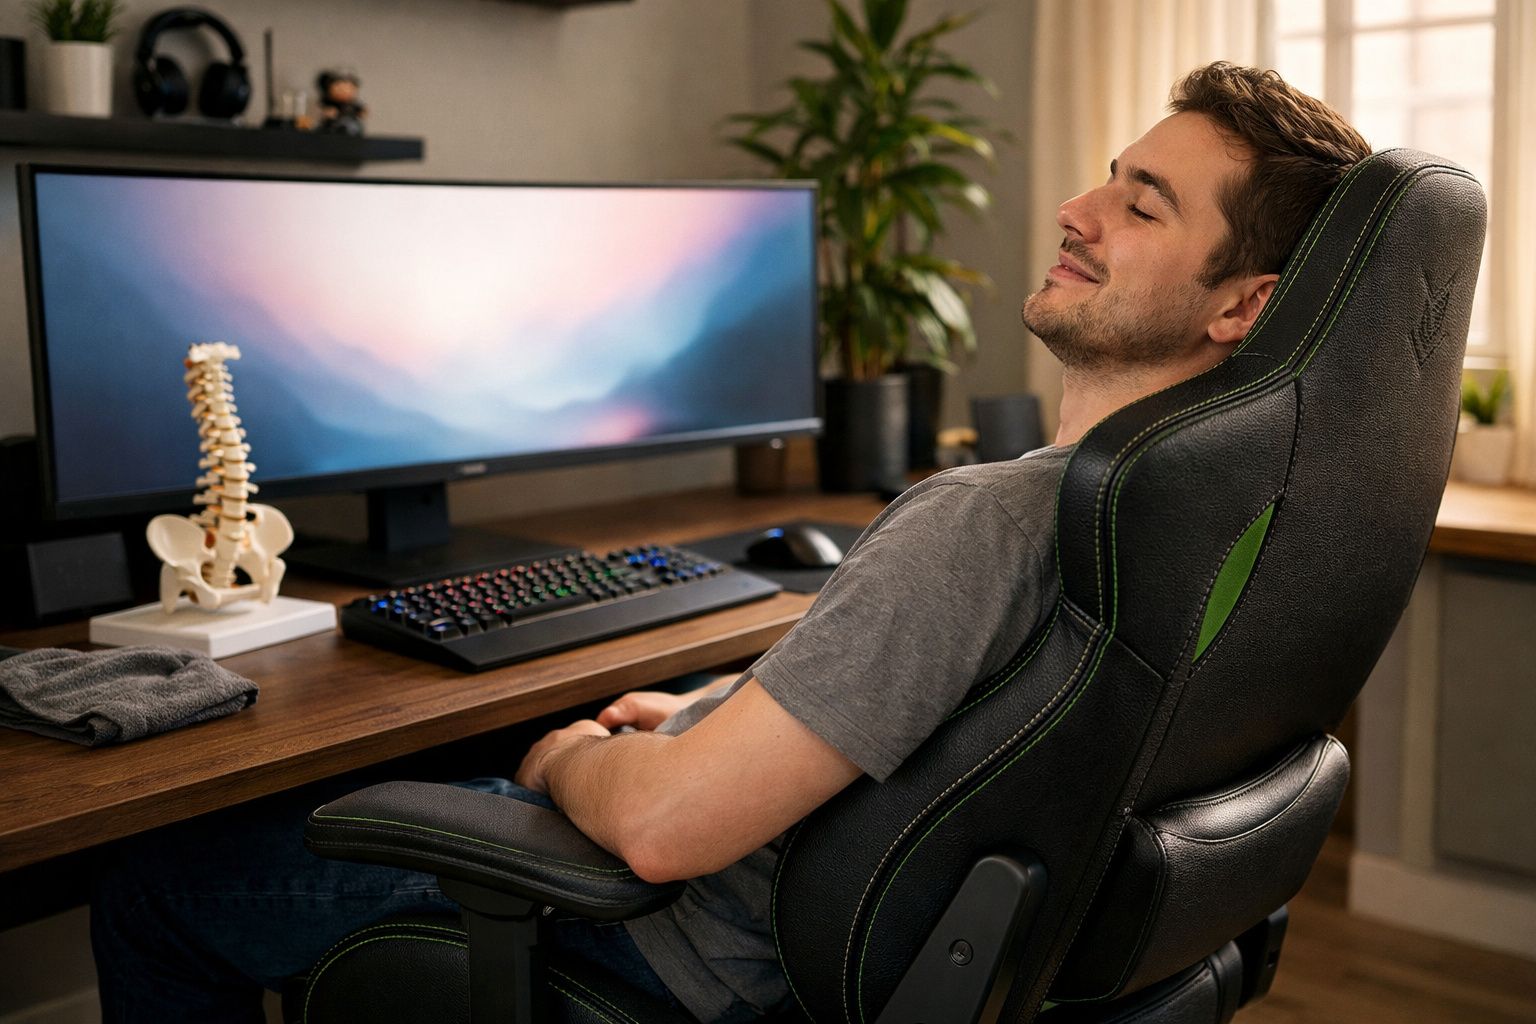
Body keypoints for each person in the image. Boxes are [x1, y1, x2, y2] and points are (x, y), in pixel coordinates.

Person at [90, 62, 1370, 1023]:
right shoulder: (1208, 524)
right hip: (839, 928)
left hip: (684, 956)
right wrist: (724, 705)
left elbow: (662, 836)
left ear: (1242, 305)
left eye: (1142, 206)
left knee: (152, 879)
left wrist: (569, 755)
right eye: (1108, 173)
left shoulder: (984, 519)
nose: (1078, 209)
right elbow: (956, 727)